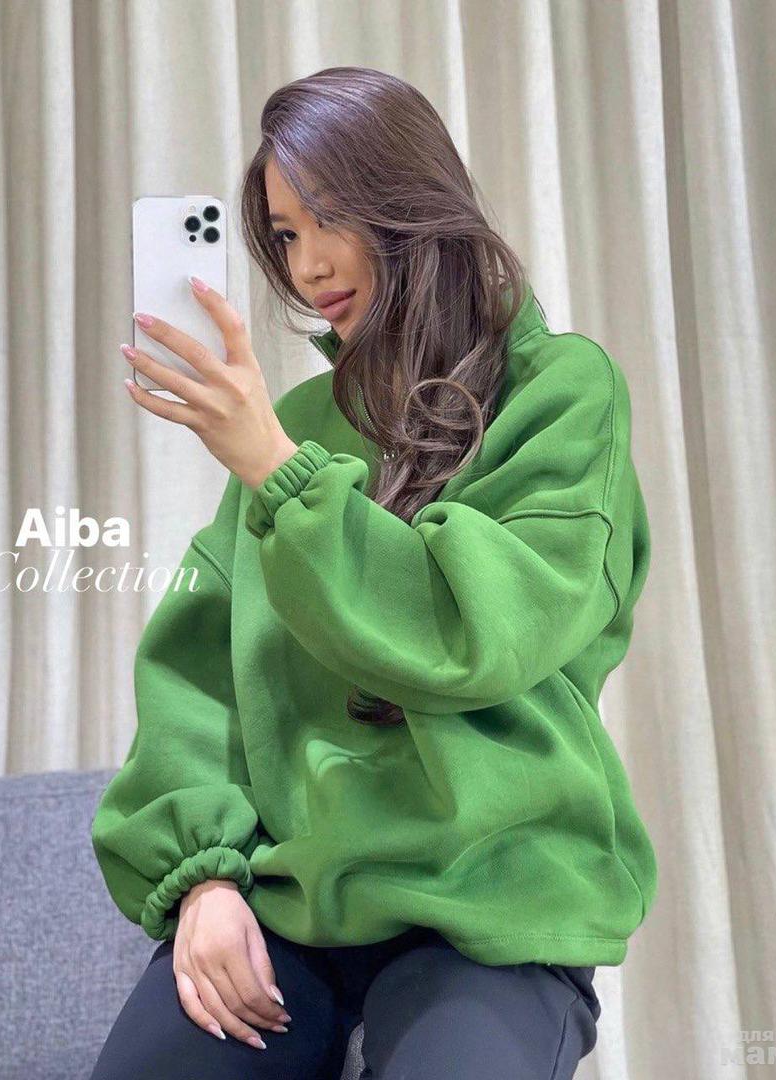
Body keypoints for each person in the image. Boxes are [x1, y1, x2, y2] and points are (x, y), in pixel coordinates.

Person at [89, 66, 655, 1079]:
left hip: (491, 899)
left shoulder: (561, 393)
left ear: (411, 198)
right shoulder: (298, 427)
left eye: (331, 218)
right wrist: (204, 879)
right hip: (297, 906)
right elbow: (201, 675)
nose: (308, 266)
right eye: (285, 235)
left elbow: (477, 635)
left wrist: (278, 471)